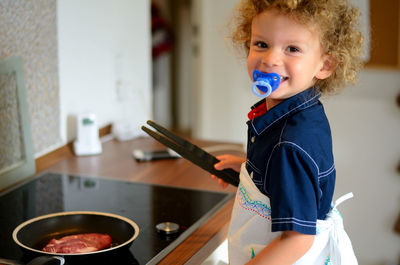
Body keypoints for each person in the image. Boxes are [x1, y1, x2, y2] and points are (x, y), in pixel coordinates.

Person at [211, 0, 363, 264]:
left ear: (324, 65)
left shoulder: (289, 144)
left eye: (292, 49)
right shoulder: (298, 113)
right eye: (261, 44)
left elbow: (298, 240)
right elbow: (288, 176)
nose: (270, 59)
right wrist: (250, 169)